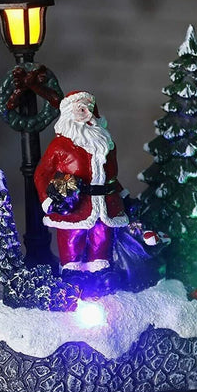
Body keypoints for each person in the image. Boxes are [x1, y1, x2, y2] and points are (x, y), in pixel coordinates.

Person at [34, 91, 129, 275]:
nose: (87, 113)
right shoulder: (59, 146)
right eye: (81, 109)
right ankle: (73, 276)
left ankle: (100, 275)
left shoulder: (107, 144)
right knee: (72, 243)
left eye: (90, 109)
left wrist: (123, 195)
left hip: (106, 206)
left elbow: (111, 176)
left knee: (101, 244)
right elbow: (42, 173)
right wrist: (48, 199)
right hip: (75, 206)